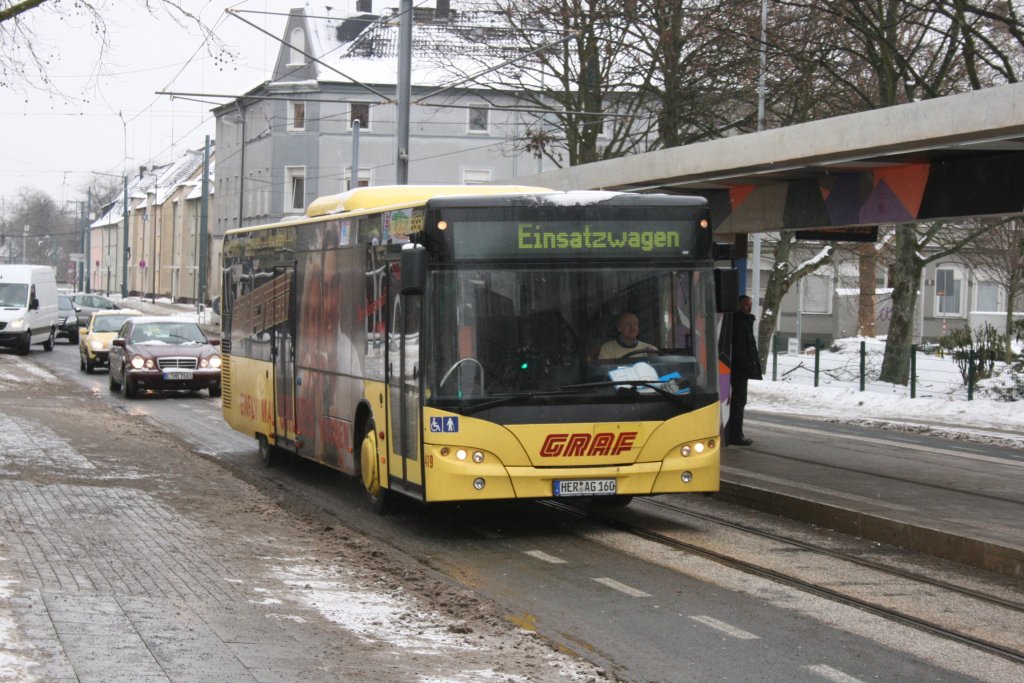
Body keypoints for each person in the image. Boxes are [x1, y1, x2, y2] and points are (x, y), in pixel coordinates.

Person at [727, 295, 763, 446]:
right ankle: (736, 434)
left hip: (738, 368)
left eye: (750, 304)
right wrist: (747, 365)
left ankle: (734, 432)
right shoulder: (740, 322)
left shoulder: (741, 321)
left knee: (737, 401)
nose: (748, 307)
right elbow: (741, 348)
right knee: (738, 401)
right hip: (739, 370)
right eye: (746, 304)